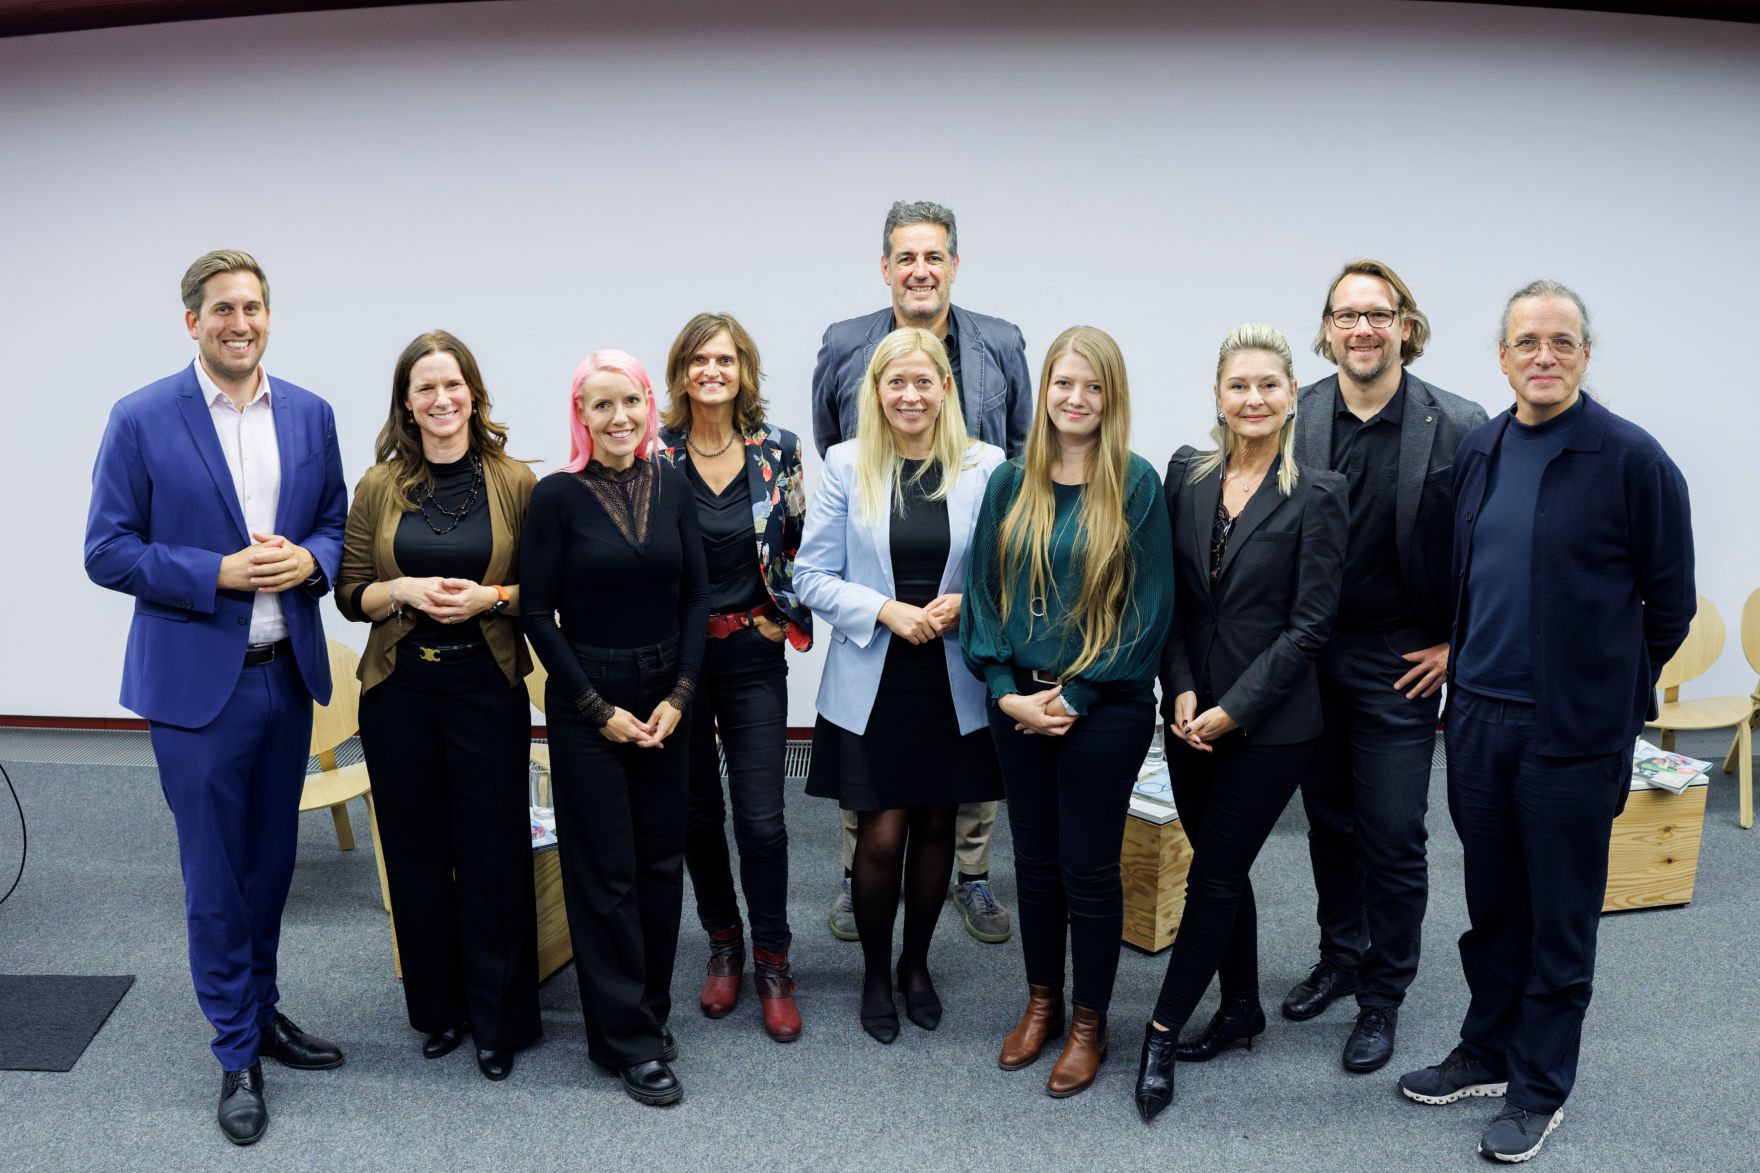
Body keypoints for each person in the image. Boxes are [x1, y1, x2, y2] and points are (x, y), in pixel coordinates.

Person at [1397, 281, 1693, 1163]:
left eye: (1562, 341)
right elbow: (1475, 573)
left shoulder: (1631, 459)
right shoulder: (1482, 449)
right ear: (1501, 355)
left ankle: (1540, 1085)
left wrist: (1608, 692)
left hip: (1571, 734)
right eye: (1527, 340)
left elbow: (1668, 604)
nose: (1544, 355)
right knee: (1493, 905)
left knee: (1560, 915)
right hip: (1479, 720)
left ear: (1586, 355)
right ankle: (1488, 1049)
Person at [83, 249, 348, 1145]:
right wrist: (216, 572)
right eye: (223, 308)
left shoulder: (310, 413)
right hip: (198, 690)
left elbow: (337, 524)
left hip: (288, 677)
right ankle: (234, 1049)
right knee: (214, 878)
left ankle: (264, 1010)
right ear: (192, 321)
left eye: (255, 306)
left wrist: (311, 558)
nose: (241, 321)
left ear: (269, 317)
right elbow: (107, 549)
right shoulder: (141, 417)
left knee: (271, 866)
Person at [1134, 324, 1349, 1122]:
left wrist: (1234, 709)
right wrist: (1184, 691)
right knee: (1225, 866)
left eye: (1269, 385)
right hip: (1191, 717)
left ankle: (1161, 1031)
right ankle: (1242, 1007)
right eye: (1238, 385)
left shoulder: (1320, 492)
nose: (1253, 399)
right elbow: (1177, 603)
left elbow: (1310, 626)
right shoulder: (1184, 474)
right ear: (1217, 395)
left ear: (1292, 395)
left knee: (1213, 874)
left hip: (1274, 724)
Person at [1286, 260, 1488, 1073]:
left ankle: (1383, 993)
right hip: (1311, 650)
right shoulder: (1296, 415)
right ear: (1327, 328)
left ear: (1406, 324)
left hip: (1403, 655)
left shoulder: (1461, 423)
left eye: (1377, 314)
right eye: (1345, 315)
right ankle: (1342, 953)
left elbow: (1493, 550)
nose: (1361, 329)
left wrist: (1459, 644)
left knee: (1395, 829)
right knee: (1328, 817)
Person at [811, 199, 1031, 945]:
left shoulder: (998, 344)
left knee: (952, 805)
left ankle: (972, 881)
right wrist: (881, 605)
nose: (920, 269)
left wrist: (973, 601)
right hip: (880, 614)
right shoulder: (846, 346)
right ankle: (858, 886)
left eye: (933, 256)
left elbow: (1023, 460)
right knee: (877, 818)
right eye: (906, 257)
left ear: (954, 265)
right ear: (885, 268)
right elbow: (829, 444)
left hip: (962, 625)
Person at [963, 325, 1174, 1100]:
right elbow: (983, 595)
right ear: (1043, 390)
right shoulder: (1008, 482)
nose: (1076, 399)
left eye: (1092, 386)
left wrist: (1076, 694)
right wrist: (1005, 688)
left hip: (1105, 705)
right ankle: (1041, 1002)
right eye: (1063, 383)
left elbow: (1148, 613)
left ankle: (1090, 1020)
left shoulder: (1138, 482)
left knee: (1088, 866)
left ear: (1109, 396)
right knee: (1037, 862)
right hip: (1020, 702)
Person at [333, 330, 541, 1081]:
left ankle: (501, 1017)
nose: (442, 399)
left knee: (491, 856)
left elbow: (546, 589)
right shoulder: (377, 486)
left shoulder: (516, 481)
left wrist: (491, 597)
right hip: (399, 697)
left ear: (474, 393)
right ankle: (439, 1009)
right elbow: (350, 590)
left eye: (453, 385)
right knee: (418, 858)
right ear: (406, 403)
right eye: (426, 388)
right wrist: (401, 591)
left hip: (485, 690)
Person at [795, 327, 1006, 1044]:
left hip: (953, 681)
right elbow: (810, 576)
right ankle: (878, 971)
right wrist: (882, 608)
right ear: (876, 392)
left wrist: (966, 607)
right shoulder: (845, 464)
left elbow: (1006, 573)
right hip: (875, 678)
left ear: (946, 388)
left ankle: (919, 965)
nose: (910, 395)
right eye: (896, 383)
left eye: (924, 382)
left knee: (939, 826)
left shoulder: (987, 465)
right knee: (882, 836)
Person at [519, 350, 708, 1106]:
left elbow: (697, 598)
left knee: (663, 864)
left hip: (666, 696)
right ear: (580, 415)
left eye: (629, 401)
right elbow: (536, 612)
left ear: (648, 405)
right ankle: (624, 1040)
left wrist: (683, 694)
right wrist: (598, 710)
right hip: (587, 700)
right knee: (606, 871)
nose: (618, 417)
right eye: (600, 405)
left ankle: (645, 1014)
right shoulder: (555, 497)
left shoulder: (674, 483)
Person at [654, 312, 813, 1042]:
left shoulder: (777, 450)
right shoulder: (655, 454)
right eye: (698, 359)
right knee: (695, 815)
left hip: (752, 655)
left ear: (744, 369)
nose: (711, 370)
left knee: (762, 820)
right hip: (677, 662)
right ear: (682, 371)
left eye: (724, 358)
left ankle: (773, 958)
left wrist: (787, 615)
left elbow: (806, 543)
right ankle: (723, 939)